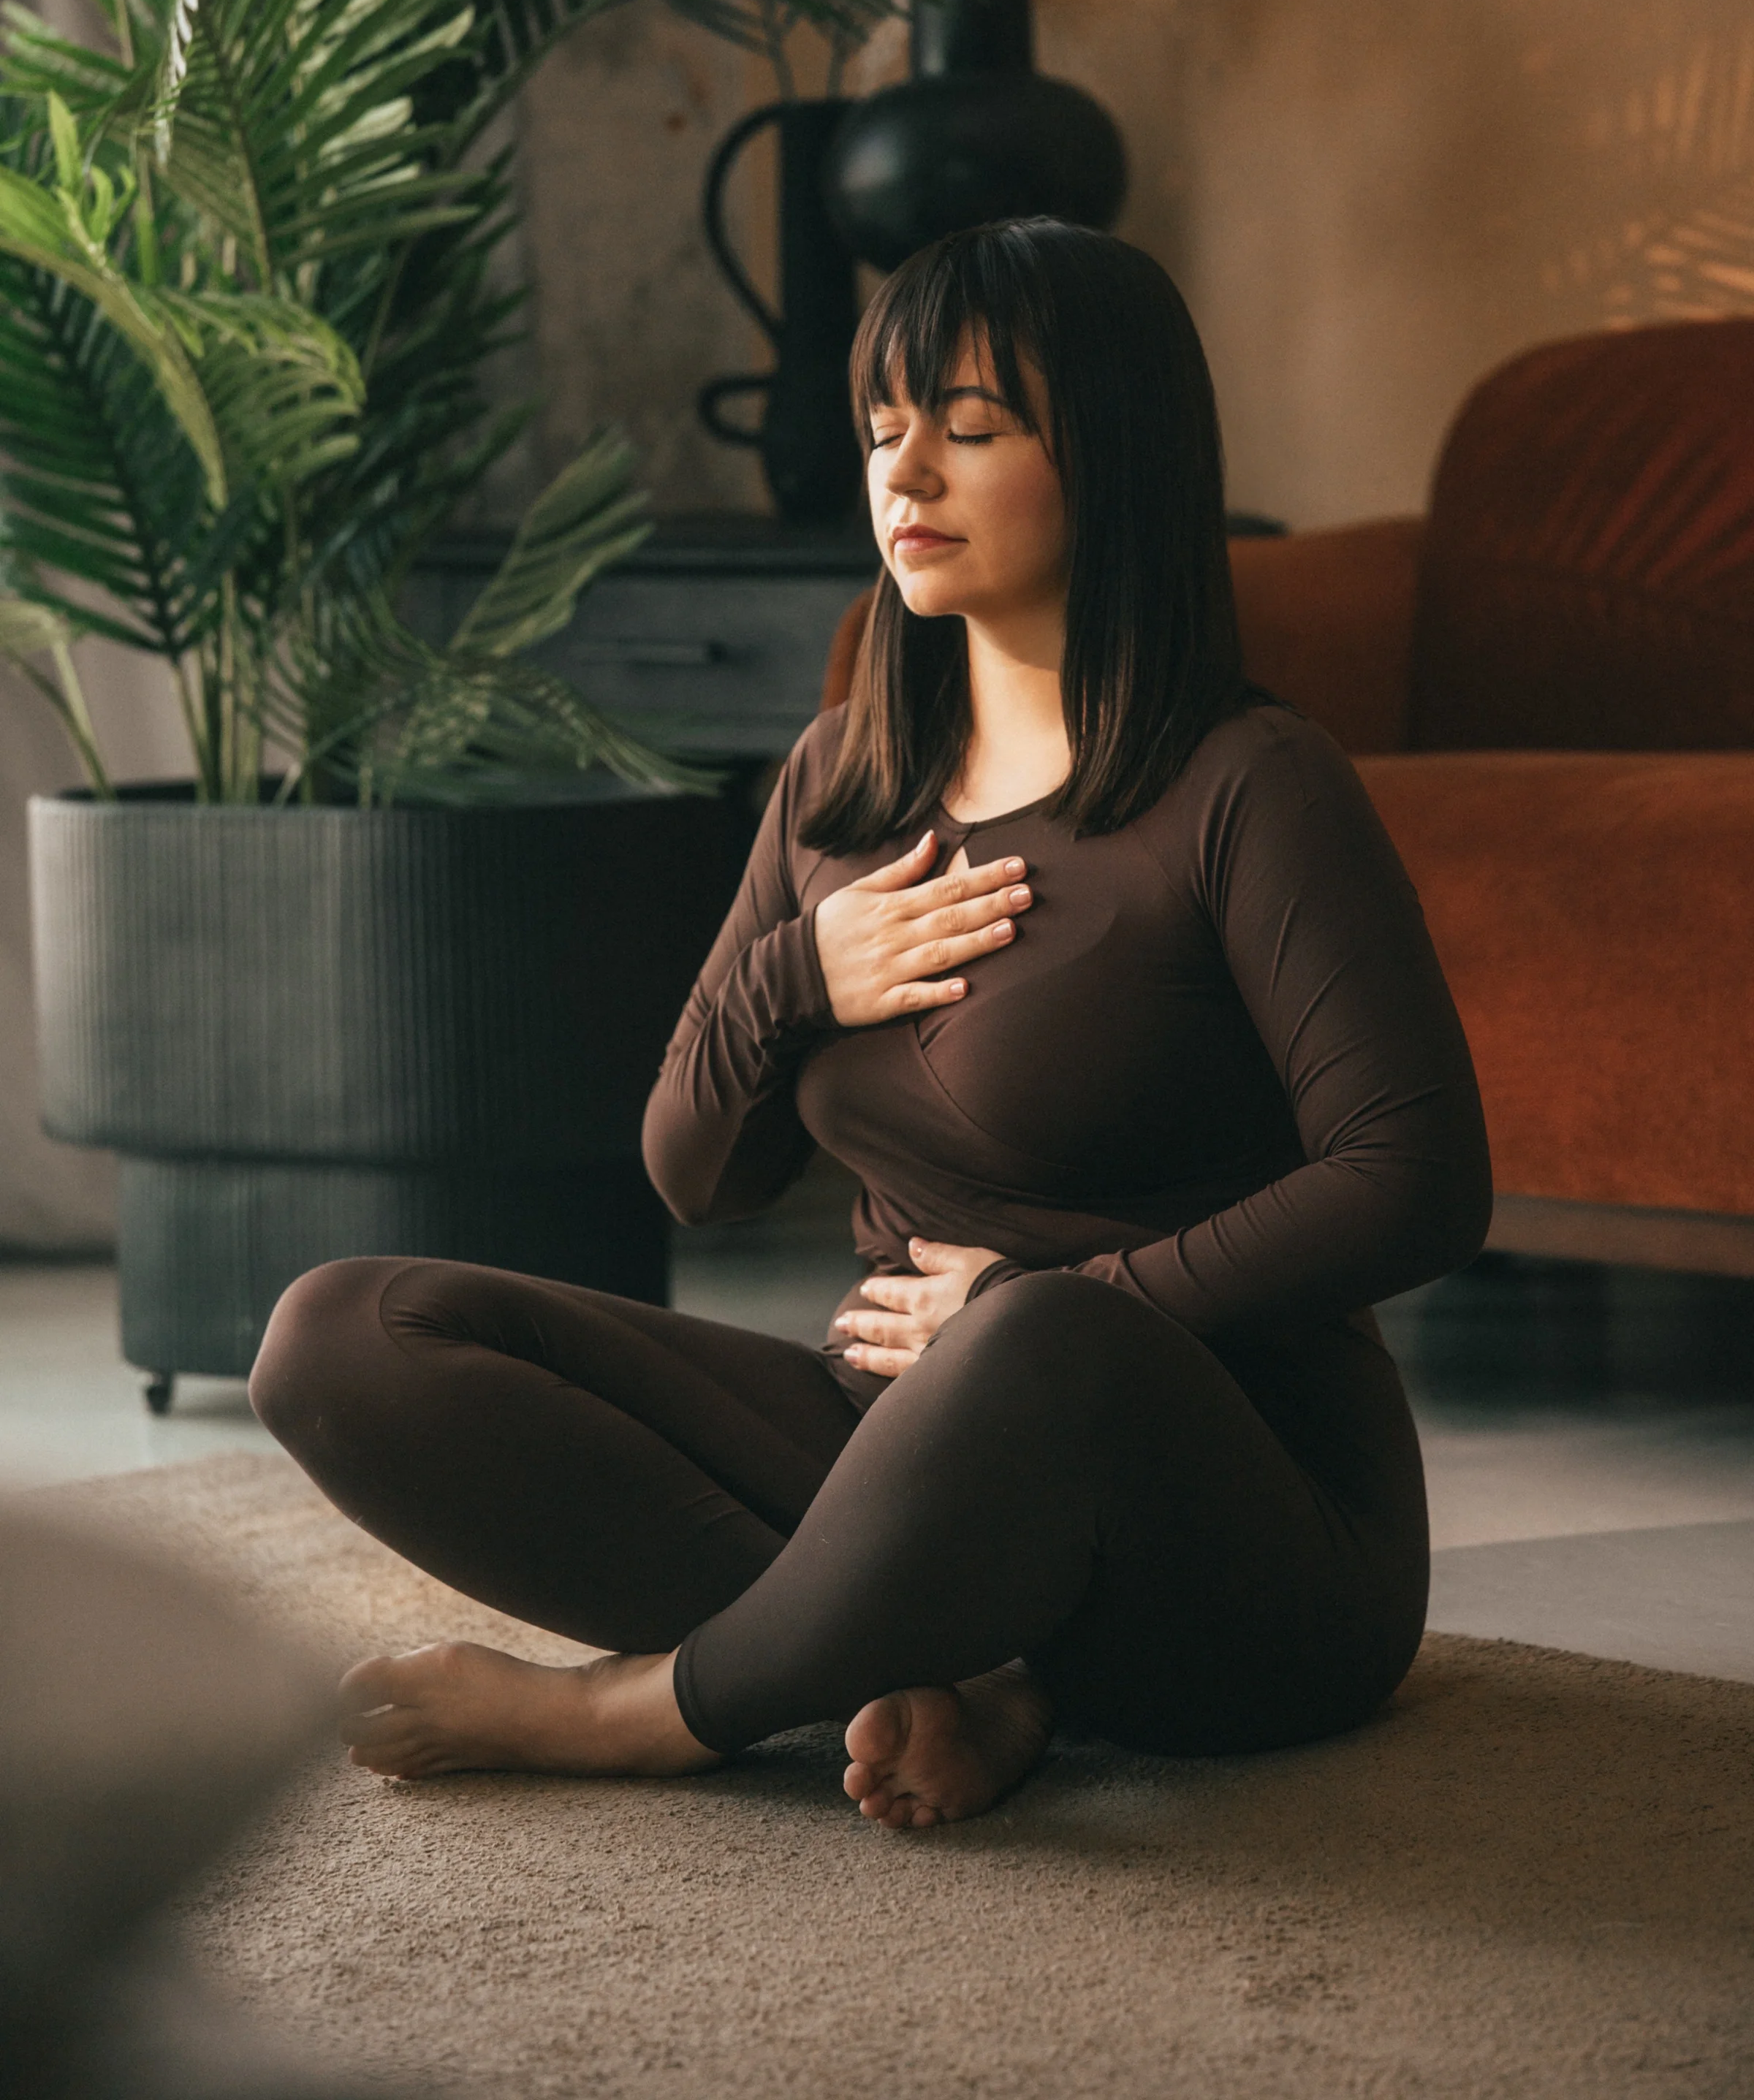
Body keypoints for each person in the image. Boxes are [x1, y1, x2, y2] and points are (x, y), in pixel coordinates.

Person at [251, 218, 1492, 1830]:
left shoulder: (1248, 785)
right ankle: (956, 1665)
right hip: (892, 1442)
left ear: (1112, 453)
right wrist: (797, 977)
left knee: (1036, 1343)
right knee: (344, 1333)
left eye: (969, 429)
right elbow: (694, 1174)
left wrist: (1062, 1299)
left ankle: (648, 1711)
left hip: (1241, 1529)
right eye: (884, 428)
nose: (905, 475)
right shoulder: (843, 776)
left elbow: (1416, 1178)